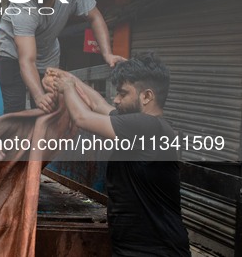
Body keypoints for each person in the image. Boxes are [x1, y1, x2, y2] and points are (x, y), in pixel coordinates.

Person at [52, 53, 191, 256]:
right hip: (135, 247)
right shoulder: (138, 125)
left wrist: (67, 88)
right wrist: (72, 79)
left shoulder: (148, 126)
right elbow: (99, 106)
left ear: (147, 96)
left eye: (123, 94)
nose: (116, 99)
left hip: (155, 251)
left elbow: (83, 117)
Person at [0, 0, 125, 114]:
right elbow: (27, 60)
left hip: (48, 52)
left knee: (50, 110)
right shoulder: (23, 6)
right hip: (13, 54)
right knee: (15, 111)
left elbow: (94, 17)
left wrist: (107, 53)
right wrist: (38, 96)